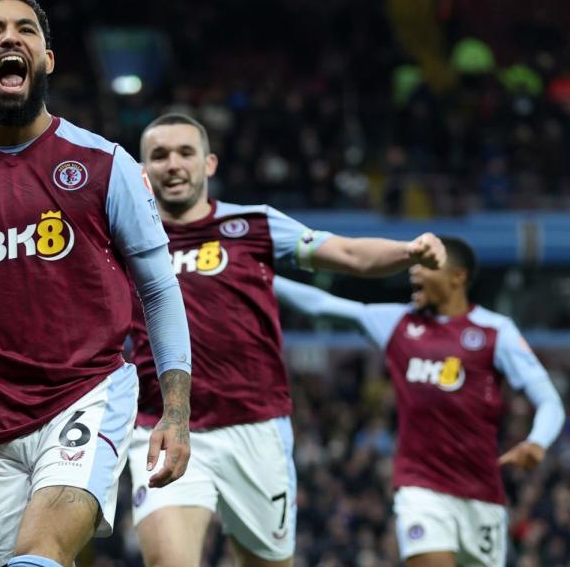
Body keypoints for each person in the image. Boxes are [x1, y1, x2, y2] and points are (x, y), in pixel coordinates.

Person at [0, 0, 193, 567]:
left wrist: (176, 413)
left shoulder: (107, 166)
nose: (11, 38)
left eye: (26, 29)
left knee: (42, 549)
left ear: (47, 58)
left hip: (88, 394)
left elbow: (159, 291)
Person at [126, 113, 448, 567]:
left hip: (256, 428)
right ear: (143, 171)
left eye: (185, 152)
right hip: (165, 426)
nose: (173, 164)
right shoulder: (126, 236)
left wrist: (408, 251)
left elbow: (349, 254)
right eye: (159, 155)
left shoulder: (254, 224)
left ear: (209, 164)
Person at [274, 238, 565, 567]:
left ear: (457, 277)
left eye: (426, 266)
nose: (414, 272)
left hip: (482, 495)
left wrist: (537, 442)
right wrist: (260, 275)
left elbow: (549, 400)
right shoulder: (398, 323)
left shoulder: (495, 331)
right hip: (420, 489)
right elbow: (323, 305)